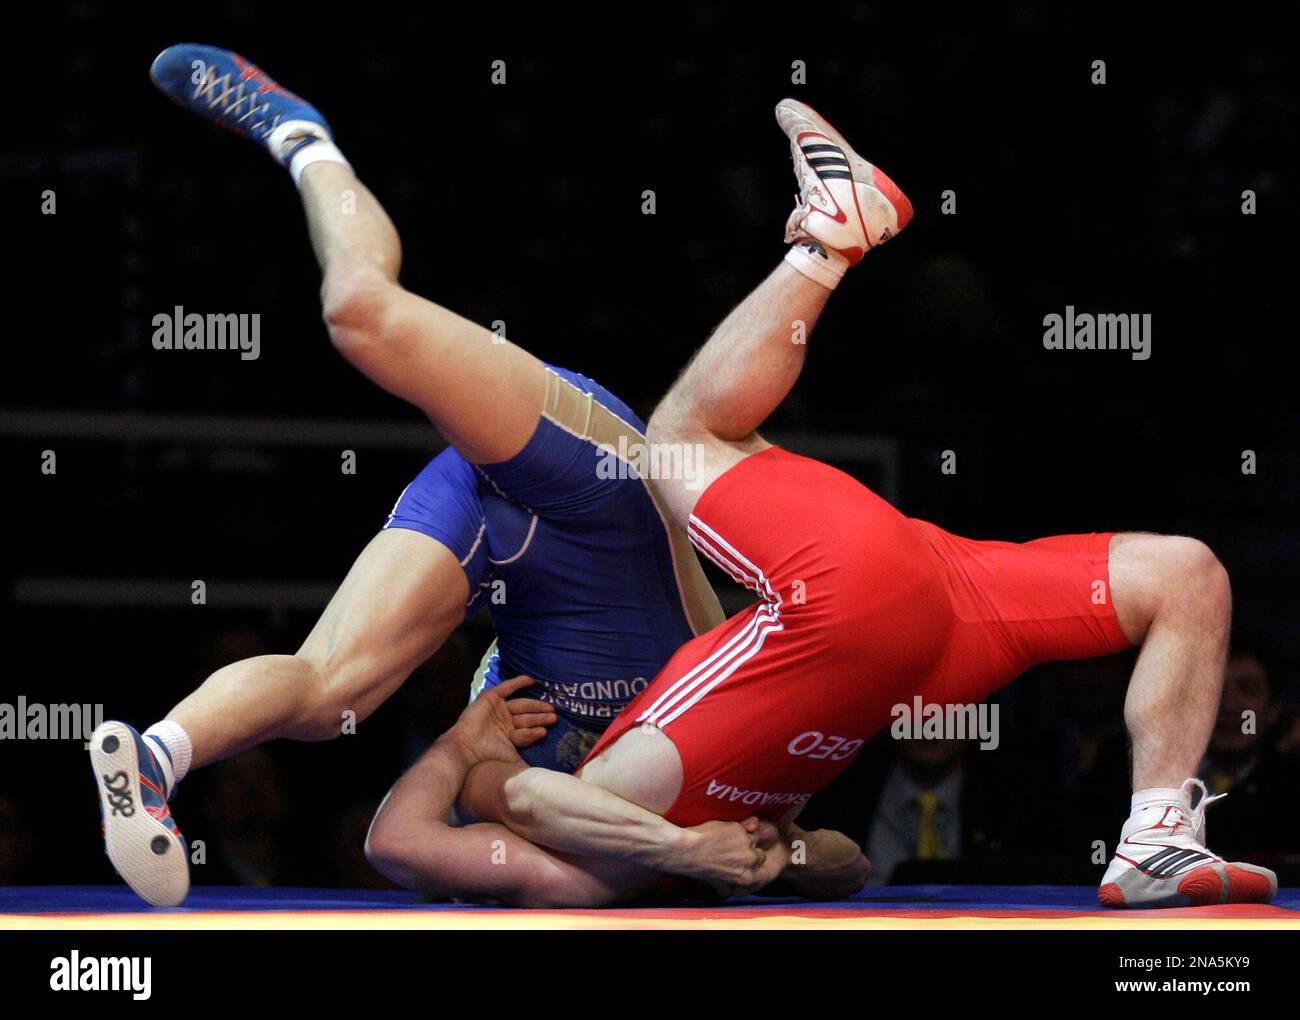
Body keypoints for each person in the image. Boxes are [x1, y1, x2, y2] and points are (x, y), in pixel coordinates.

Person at [369, 96, 1277, 910]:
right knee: (678, 438)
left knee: (1185, 574)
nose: (567, 726)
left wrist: (462, 746)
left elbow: (494, 809)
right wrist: (737, 851)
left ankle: (1159, 835)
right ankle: (830, 239)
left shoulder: (642, 822)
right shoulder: (591, 857)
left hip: (916, 632)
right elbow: (506, 808)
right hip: (863, 615)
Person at [87, 44, 831, 907]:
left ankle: (156, 754)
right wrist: (778, 846)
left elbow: (402, 843)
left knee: (328, 693)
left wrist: (461, 744)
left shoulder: (528, 805)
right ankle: (300, 136)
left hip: (502, 548)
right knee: (361, 315)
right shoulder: (727, 796)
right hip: (601, 485)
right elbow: (842, 859)